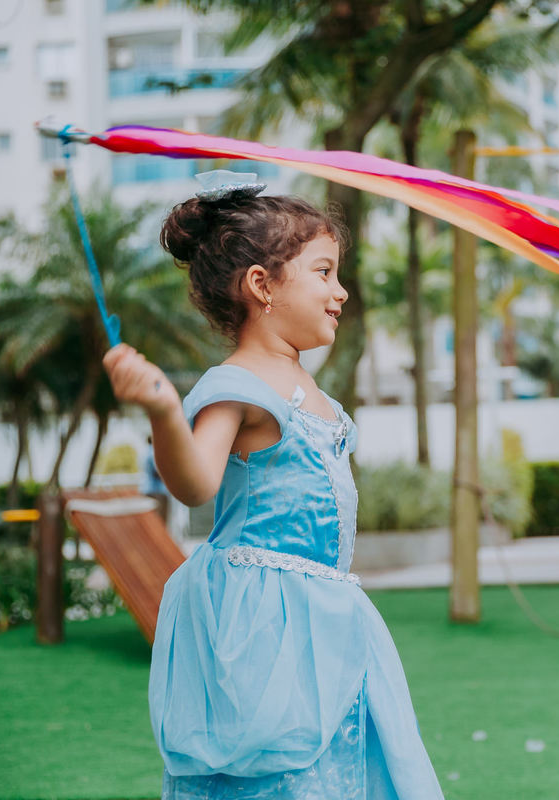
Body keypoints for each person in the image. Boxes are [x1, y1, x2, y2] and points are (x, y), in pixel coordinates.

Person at [102, 172, 442, 799]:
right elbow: (195, 483)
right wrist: (162, 409)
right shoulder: (237, 385)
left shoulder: (307, 385)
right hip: (264, 620)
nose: (340, 291)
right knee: (278, 772)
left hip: (325, 613)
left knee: (339, 765)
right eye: (323, 272)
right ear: (262, 285)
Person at [140, 435, 170, 527]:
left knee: (150, 522)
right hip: (158, 491)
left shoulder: (145, 452)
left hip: (147, 489)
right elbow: (157, 471)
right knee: (161, 522)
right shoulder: (154, 452)